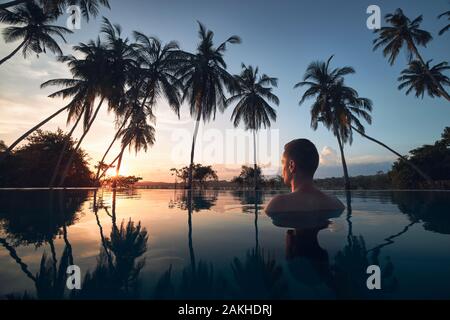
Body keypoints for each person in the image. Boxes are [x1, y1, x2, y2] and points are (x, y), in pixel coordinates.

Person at [266, 139, 345, 214]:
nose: (282, 169)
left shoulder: (278, 204)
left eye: (283, 163)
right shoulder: (337, 203)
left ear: (291, 165)